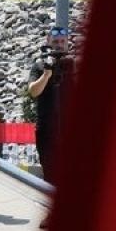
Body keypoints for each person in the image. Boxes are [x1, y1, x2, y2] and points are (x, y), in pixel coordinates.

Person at [26, 27, 71, 181]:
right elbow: (33, 91)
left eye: (62, 41)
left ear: (67, 43)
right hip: (47, 130)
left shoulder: (73, 63)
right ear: (48, 43)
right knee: (50, 176)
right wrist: (46, 75)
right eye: (55, 42)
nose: (59, 45)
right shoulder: (40, 65)